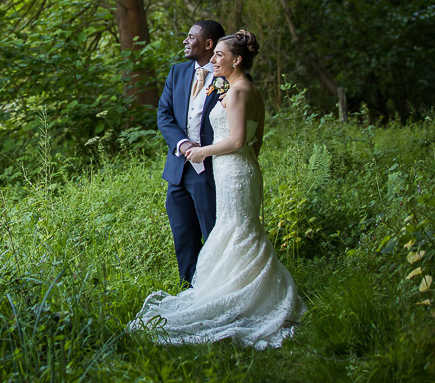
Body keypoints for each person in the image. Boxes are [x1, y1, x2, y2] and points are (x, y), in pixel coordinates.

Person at [130, 30, 305, 349]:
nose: (213, 61)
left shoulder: (235, 91)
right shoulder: (248, 90)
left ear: (236, 59)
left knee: (234, 231)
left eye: (219, 55)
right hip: (239, 169)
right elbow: (254, 140)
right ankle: (241, 290)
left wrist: (204, 153)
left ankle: (236, 297)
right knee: (238, 231)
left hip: (227, 170)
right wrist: (244, 164)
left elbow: (236, 139)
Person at [156, 20, 225, 286]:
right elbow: (164, 115)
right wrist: (183, 144)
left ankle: (218, 288)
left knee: (214, 233)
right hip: (177, 171)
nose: (185, 41)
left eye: (190, 37)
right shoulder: (177, 72)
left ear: (208, 44)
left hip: (210, 170)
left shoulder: (227, 76)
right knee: (183, 237)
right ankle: (189, 289)